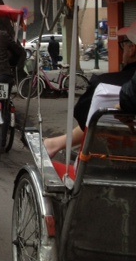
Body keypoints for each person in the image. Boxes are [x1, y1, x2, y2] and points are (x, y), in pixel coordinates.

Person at [44, 21, 136, 158]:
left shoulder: (106, 84)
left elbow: (82, 115)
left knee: (91, 120)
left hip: (106, 152)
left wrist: (122, 107)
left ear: (132, 49)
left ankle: (54, 144)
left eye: (124, 46)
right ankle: (54, 144)